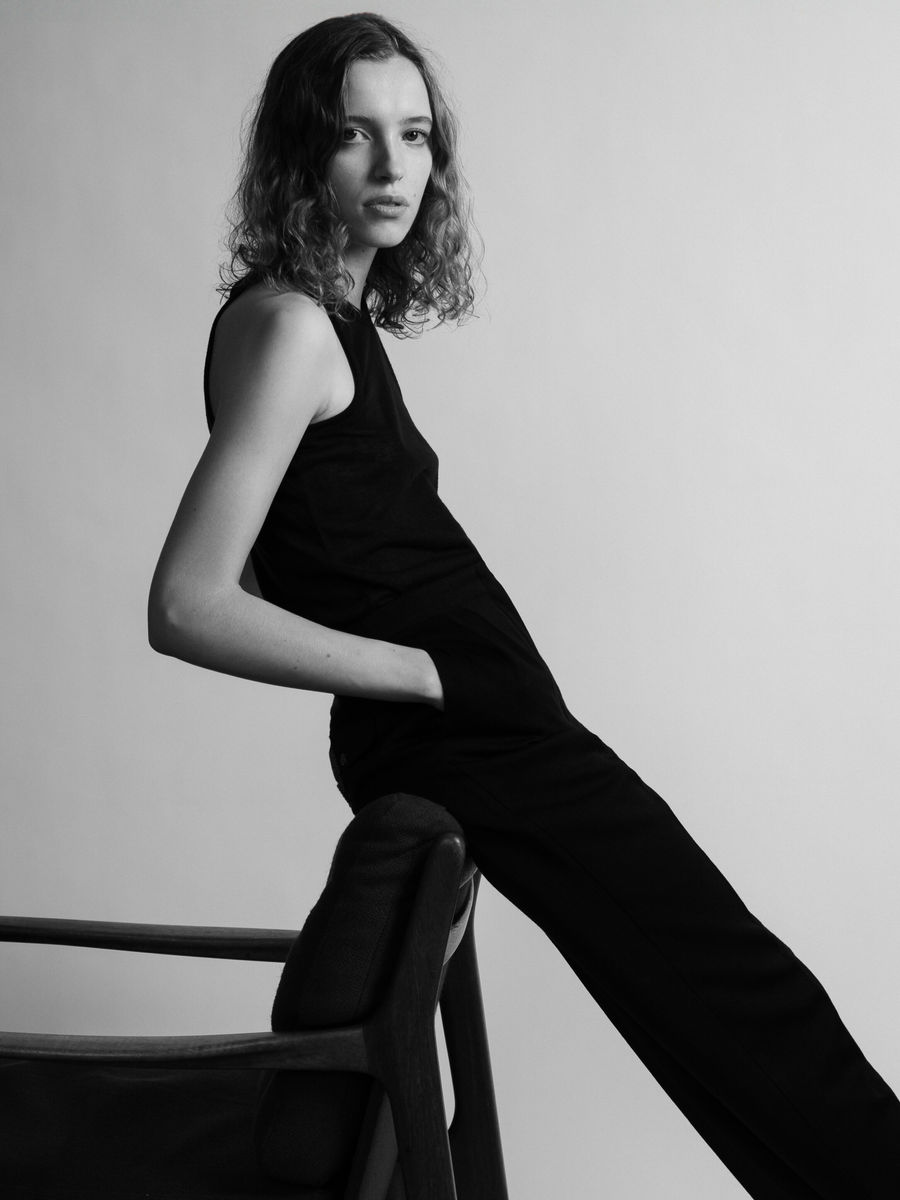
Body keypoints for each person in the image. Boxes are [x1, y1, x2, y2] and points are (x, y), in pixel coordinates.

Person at [148, 13, 900, 1198]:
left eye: (415, 135)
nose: (393, 167)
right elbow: (189, 603)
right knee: (734, 985)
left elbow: (266, 561)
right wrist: (429, 671)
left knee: (716, 989)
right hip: (467, 729)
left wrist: (429, 659)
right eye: (354, 135)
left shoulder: (320, 322)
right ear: (302, 153)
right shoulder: (291, 328)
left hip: (483, 725)